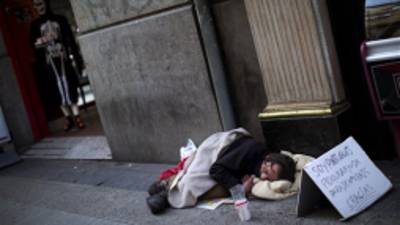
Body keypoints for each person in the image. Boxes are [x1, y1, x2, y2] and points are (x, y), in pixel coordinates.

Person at [146, 128, 296, 214]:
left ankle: (167, 185)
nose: (266, 170)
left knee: (220, 188)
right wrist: (239, 188)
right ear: (269, 157)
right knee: (195, 181)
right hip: (219, 148)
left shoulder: (264, 170)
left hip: (226, 161)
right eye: (268, 165)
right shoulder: (251, 151)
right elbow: (216, 169)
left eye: (270, 174)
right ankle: (167, 191)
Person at [30, 0, 85, 131]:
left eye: (41, 3)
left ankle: (77, 116)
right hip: (49, 62)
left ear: (46, 3)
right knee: (57, 88)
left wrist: (77, 60)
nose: (40, 7)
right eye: (37, 5)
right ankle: (68, 118)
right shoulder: (34, 26)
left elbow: (70, 39)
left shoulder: (60, 19)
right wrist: (42, 41)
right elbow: (34, 46)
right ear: (34, 7)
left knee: (70, 85)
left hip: (63, 58)